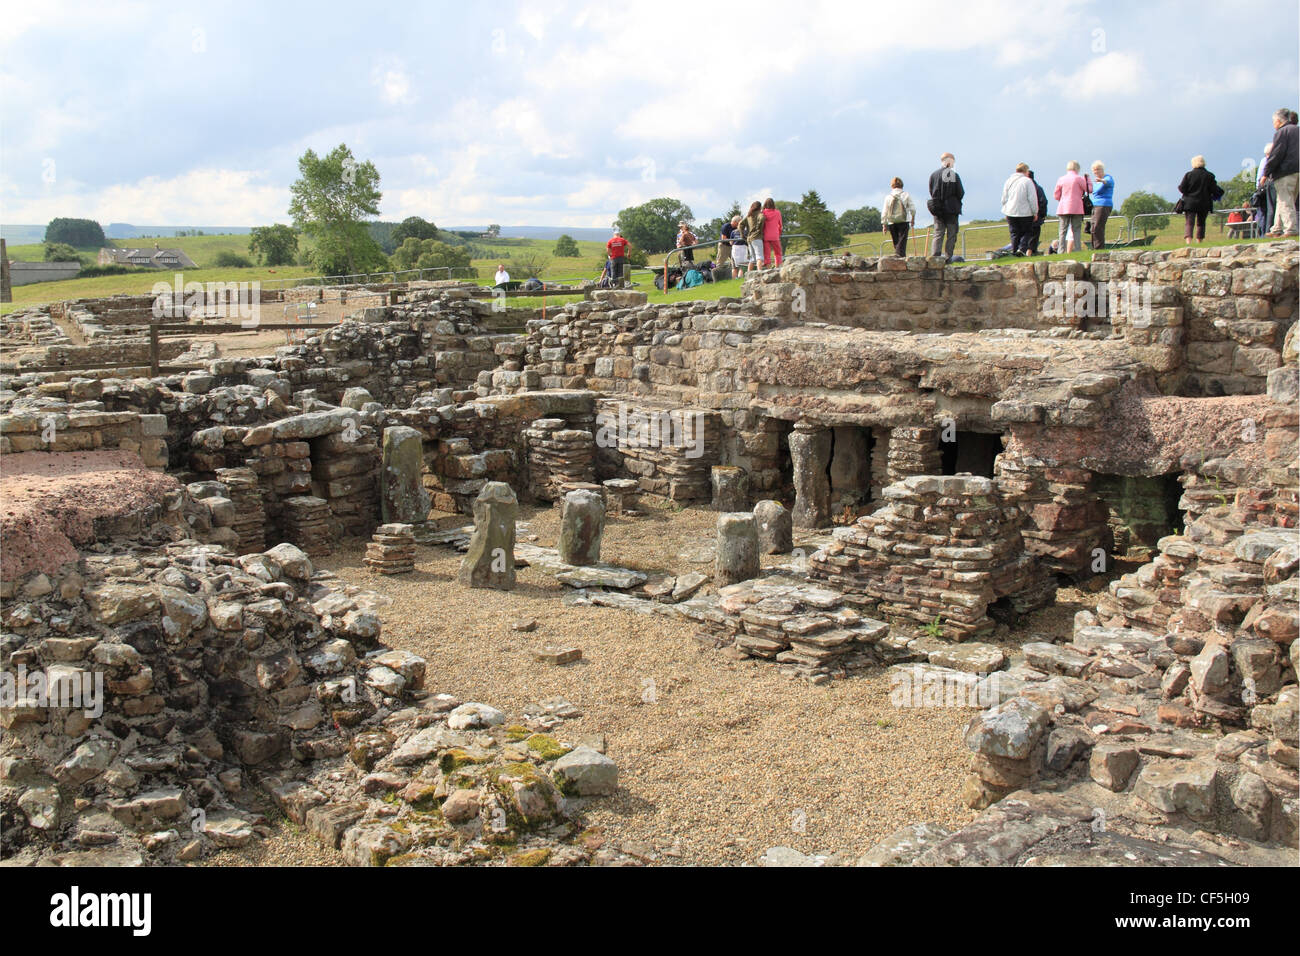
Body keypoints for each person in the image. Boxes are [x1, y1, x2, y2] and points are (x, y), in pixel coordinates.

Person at [1265, 108, 1298, 237]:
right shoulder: (1297, 130)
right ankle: (1277, 228)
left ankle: (1291, 229)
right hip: (1298, 170)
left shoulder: (1282, 132)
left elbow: (1277, 154)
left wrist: (1266, 172)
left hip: (1285, 172)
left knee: (1285, 201)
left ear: (1278, 121)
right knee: (1283, 200)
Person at [1177, 155, 1222, 244]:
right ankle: (1199, 241)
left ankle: (1188, 241)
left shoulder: (1188, 175)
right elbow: (1214, 189)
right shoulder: (1209, 175)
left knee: (1189, 222)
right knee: (1201, 223)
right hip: (1204, 202)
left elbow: (1182, 188)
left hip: (1190, 202)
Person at [927, 152, 964, 261]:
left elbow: (931, 190)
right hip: (950, 209)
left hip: (937, 209)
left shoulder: (933, 175)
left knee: (938, 233)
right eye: (953, 162)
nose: (953, 164)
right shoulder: (951, 174)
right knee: (951, 234)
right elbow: (959, 192)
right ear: (949, 161)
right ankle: (948, 257)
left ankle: (935, 256)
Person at [1000, 162, 1039, 256]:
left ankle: (1014, 250)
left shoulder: (1008, 181)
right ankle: (1021, 249)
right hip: (1025, 212)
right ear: (1026, 171)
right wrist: (1035, 212)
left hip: (1010, 211)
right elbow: (1032, 198)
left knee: (1014, 233)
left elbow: (1004, 198)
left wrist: (1005, 210)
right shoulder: (1027, 181)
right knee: (1027, 231)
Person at [1053, 161, 1089, 253]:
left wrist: (1062, 199)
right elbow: (1089, 189)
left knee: (1062, 231)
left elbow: (1056, 195)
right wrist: (1087, 179)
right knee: (1076, 230)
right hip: (1077, 207)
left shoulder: (1061, 179)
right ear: (1077, 168)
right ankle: (1077, 249)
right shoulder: (1079, 179)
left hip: (1063, 207)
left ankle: (1061, 250)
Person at [880, 177, 916, 257]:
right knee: (902, 243)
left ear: (892, 186)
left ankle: (897, 257)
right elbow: (912, 208)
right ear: (901, 185)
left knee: (896, 243)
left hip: (892, 222)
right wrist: (912, 219)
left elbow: (884, 212)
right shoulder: (906, 195)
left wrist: (884, 225)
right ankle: (900, 259)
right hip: (904, 221)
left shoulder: (888, 197)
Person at [1089, 161, 1114, 248]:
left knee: (1098, 227)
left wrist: (1102, 181)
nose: (1096, 172)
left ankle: (1099, 247)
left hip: (1104, 205)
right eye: (1094, 170)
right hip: (1095, 205)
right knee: (1092, 228)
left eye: (1098, 169)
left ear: (1102, 169)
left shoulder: (1108, 178)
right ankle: (1094, 247)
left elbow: (1108, 182)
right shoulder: (1095, 182)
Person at [1027, 170, 1049, 255]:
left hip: (1024, 216)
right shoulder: (1038, 188)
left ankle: (1026, 253)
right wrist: (1043, 215)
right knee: (1033, 237)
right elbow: (1043, 202)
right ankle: (1031, 252)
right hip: (1035, 217)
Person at [761, 198, 783, 267]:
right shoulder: (777, 212)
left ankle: (768, 269)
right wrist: (779, 233)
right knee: (778, 253)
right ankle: (777, 268)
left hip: (765, 236)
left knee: (767, 254)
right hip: (775, 236)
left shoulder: (763, 213)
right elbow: (780, 225)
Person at [743, 201, 765, 270]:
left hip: (749, 238)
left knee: (752, 258)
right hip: (757, 237)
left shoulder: (749, 215)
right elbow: (762, 218)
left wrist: (742, 235)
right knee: (759, 257)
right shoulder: (759, 214)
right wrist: (759, 229)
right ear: (759, 207)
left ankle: (748, 275)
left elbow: (740, 224)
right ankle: (760, 273)